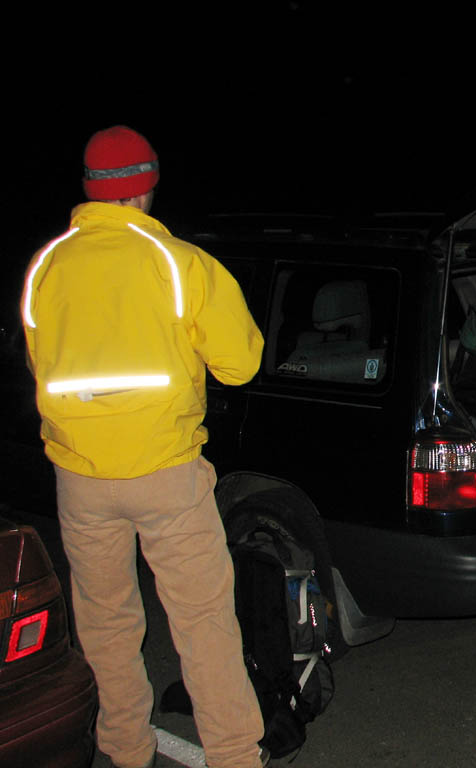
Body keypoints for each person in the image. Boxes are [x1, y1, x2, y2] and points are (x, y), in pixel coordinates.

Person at [20, 126, 269, 768]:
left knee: (105, 627)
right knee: (202, 622)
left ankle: (126, 750)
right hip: (166, 473)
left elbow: (42, 365)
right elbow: (241, 364)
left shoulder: (46, 266)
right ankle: (236, 756)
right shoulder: (177, 263)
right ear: (145, 189)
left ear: (92, 192)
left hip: (78, 479)